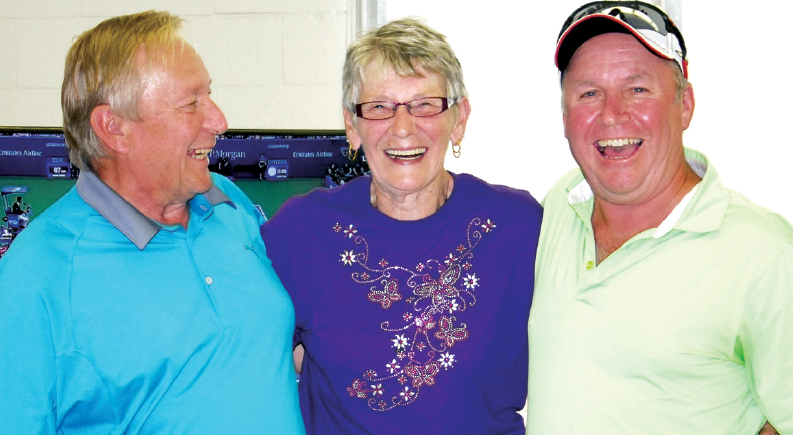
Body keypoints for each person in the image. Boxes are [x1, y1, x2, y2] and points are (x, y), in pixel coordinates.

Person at [0, 11, 305, 434]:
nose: (219, 121)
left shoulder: (228, 202)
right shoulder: (36, 273)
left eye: (209, 96)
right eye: (191, 103)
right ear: (114, 129)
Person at [262, 17, 542, 435]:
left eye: (425, 104)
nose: (403, 128)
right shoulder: (301, 231)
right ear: (351, 126)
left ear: (459, 118)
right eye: (379, 108)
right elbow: (246, 357)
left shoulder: (519, 226)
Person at [527, 2, 793, 434]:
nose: (612, 114)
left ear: (684, 104)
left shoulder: (763, 252)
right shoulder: (559, 206)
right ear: (564, 116)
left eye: (637, 89)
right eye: (588, 93)